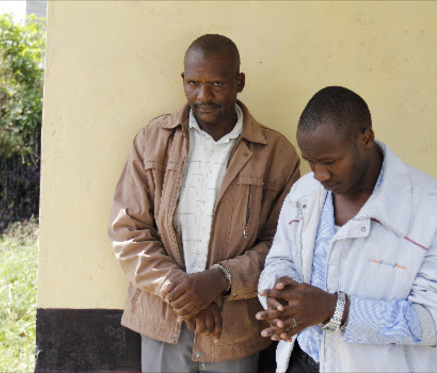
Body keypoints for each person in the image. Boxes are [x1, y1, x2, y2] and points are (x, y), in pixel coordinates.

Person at [256, 86, 437, 372]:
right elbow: (281, 259)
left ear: (366, 138)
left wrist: (336, 310)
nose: (319, 174)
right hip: (300, 361)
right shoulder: (305, 192)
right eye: (310, 161)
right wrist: (280, 292)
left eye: (330, 161)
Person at [108, 34, 300, 372]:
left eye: (217, 84)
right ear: (183, 81)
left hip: (234, 329)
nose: (204, 96)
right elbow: (128, 230)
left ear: (239, 82)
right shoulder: (152, 141)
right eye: (194, 83)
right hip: (162, 322)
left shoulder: (277, 155)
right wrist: (184, 294)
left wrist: (219, 279)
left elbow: (284, 244)